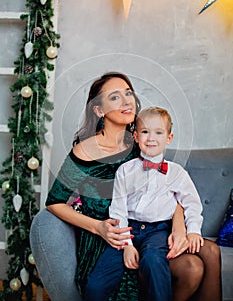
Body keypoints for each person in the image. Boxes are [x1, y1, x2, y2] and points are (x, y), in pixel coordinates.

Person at [29, 72, 222, 301]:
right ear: (98, 110)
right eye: (114, 97)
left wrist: (179, 227)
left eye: (128, 93)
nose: (126, 100)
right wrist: (98, 227)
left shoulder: (142, 140)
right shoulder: (84, 151)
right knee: (191, 267)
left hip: (152, 230)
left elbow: (171, 186)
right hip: (111, 235)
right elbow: (55, 202)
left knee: (210, 251)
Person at [84, 107, 204, 301]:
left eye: (158, 132)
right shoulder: (125, 170)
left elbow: (192, 203)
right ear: (136, 136)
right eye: (145, 132)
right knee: (96, 285)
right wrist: (127, 246)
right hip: (127, 228)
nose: (151, 138)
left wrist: (193, 231)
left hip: (157, 231)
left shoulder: (177, 173)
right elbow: (118, 210)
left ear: (169, 138)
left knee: (154, 261)